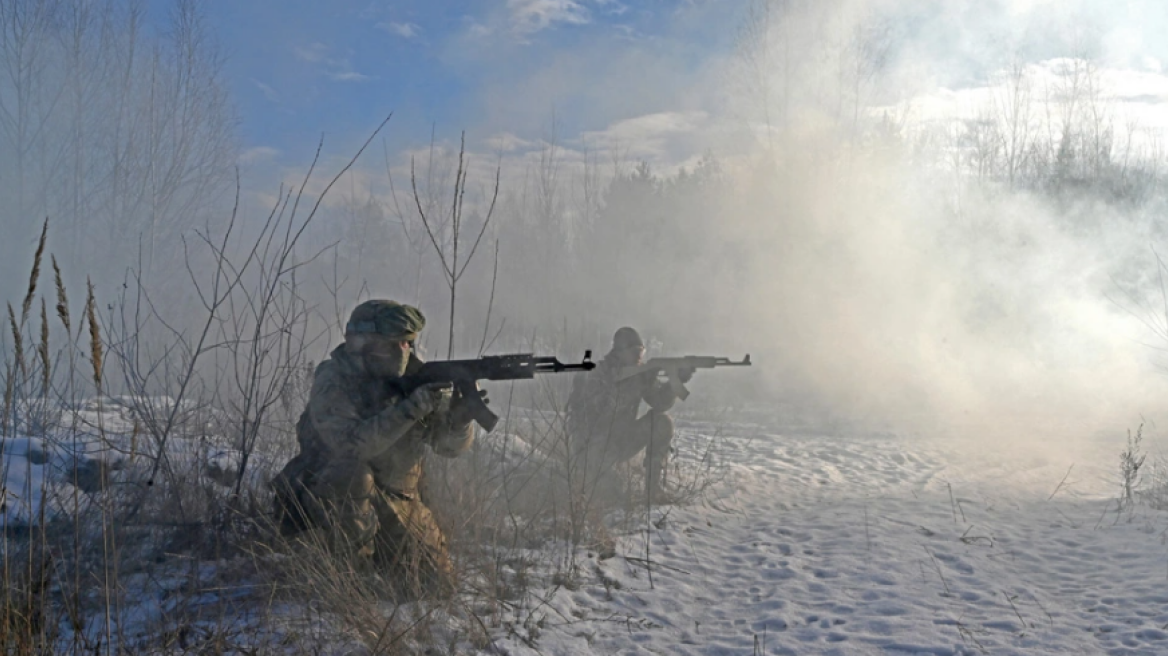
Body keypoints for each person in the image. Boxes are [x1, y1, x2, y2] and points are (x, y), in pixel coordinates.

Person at [271, 300, 479, 594]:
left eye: (407, 343)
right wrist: (410, 409)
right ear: (361, 345)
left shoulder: (418, 378)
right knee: (351, 475)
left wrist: (460, 421)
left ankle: (382, 564)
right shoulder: (335, 380)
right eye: (391, 344)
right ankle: (347, 584)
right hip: (329, 499)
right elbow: (351, 446)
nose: (401, 352)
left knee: (437, 589)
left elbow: (447, 447)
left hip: (398, 501)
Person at [566, 327, 691, 502]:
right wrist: (631, 385)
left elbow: (661, 404)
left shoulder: (638, 373)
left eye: (641, 351)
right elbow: (601, 413)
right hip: (592, 449)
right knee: (609, 497)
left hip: (621, 441)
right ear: (619, 352)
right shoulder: (598, 374)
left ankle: (652, 490)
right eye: (634, 351)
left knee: (662, 423)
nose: (639, 356)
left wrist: (674, 383)